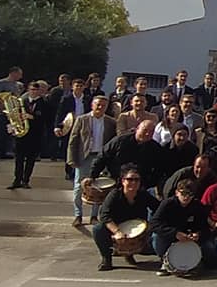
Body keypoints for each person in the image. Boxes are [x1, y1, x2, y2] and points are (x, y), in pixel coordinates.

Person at [94, 168, 160, 271]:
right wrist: (117, 231)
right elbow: (104, 216)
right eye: (129, 179)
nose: (133, 183)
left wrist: (150, 226)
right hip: (116, 226)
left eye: (136, 180)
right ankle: (106, 258)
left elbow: (158, 208)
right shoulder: (114, 195)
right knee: (98, 229)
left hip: (136, 227)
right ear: (123, 181)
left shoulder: (143, 195)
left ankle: (129, 253)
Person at [67, 95, 117, 227]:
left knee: (99, 187)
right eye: (98, 104)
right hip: (85, 156)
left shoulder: (111, 122)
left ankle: (94, 215)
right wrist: (71, 159)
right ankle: (78, 215)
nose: (100, 107)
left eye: (103, 105)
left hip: (101, 158)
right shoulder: (82, 119)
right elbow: (73, 140)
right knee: (79, 186)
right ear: (92, 105)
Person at [150, 179, 209, 276]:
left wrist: (198, 234)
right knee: (156, 237)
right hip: (170, 236)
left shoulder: (197, 206)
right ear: (177, 193)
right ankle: (165, 261)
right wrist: (175, 233)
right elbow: (154, 223)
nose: (186, 197)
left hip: (190, 238)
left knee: (210, 248)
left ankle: (194, 263)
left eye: (190, 194)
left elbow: (205, 227)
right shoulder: (167, 204)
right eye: (183, 193)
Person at [90, 120, 166, 191]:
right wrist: (93, 176)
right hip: (116, 182)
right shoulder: (120, 141)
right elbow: (102, 157)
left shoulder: (155, 148)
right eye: (145, 130)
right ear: (137, 128)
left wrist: (148, 184)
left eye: (151, 132)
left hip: (139, 186)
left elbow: (159, 169)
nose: (147, 134)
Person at [7, 81, 52, 190]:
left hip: (35, 135)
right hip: (21, 135)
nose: (34, 92)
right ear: (28, 90)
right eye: (32, 90)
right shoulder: (22, 101)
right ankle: (17, 180)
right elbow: (14, 115)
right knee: (19, 159)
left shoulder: (44, 103)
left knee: (30, 159)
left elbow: (47, 119)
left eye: (36, 90)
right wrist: (13, 125)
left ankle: (26, 180)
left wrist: (32, 117)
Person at [0, 66, 23, 159]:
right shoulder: (1, 83)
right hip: (1, 112)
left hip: (11, 112)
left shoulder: (17, 85)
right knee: (0, 133)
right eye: (19, 74)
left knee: (9, 132)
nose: (20, 76)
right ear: (13, 73)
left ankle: (7, 151)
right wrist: (0, 104)